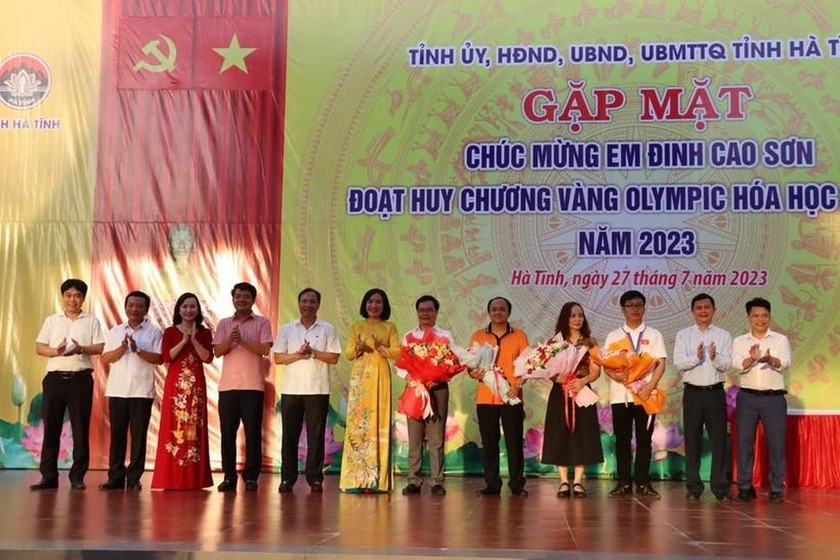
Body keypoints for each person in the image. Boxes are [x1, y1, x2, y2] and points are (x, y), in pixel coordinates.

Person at [31, 279, 105, 490]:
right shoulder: (52, 320)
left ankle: (77, 478)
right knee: (51, 429)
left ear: (83, 297)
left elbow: (100, 347)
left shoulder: (91, 321)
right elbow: (39, 347)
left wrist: (81, 348)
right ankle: (48, 477)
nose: (73, 299)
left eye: (77, 295)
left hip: (80, 380)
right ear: (63, 296)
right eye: (68, 295)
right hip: (54, 379)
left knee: (80, 430)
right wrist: (57, 351)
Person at [273, 288, 341, 493]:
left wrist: (313, 352)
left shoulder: (328, 328)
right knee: (289, 437)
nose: (308, 305)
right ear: (298, 303)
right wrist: (298, 354)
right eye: (304, 301)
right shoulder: (288, 329)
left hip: (318, 389)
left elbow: (334, 358)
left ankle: (315, 478)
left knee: (316, 436)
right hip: (291, 390)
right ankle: (287, 479)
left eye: (312, 302)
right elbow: (278, 358)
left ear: (318, 305)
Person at [602, 290, 667, 499]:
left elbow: (661, 364)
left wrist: (650, 386)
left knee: (644, 440)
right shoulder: (614, 335)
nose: (635, 309)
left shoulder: (654, 334)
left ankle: (642, 482)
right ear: (622, 309)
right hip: (620, 396)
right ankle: (623, 482)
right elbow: (606, 365)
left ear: (644, 308)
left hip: (645, 396)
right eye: (630, 305)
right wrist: (616, 376)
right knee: (622, 439)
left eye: (639, 305)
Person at [99, 290, 163, 491]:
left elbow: (159, 359)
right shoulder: (116, 331)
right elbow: (105, 358)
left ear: (146, 309)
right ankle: (115, 477)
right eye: (131, 305)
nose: (134, 309)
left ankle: (134, 478)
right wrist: (122, 348)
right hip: (118, 391)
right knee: (117, 436)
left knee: (138, 436)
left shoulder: (154, 332)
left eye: (139, 306)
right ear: (125, 307)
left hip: (141, 391)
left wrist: (137, 350)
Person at [213, 282, 273, 492]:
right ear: (233, 298)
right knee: (227, 434)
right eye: (238, 296)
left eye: (246, 296)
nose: (241, 299)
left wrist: (244, 341)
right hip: (228, 387)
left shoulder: (262, 322)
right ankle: (229, 477)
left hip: (253, 386)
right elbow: (218, 352)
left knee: (253, 433)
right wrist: (231, 339)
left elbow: (265, 349)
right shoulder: (224, 324)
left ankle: (251, 477)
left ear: (253, 299)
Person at [151, 293, 214, 490]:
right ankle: (172, 477)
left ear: (198, 310)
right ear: (179, 309)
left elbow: (208, 358)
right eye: (185, 306)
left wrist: (194, 340)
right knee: (174, 428)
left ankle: (193, 478)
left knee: (193, 429)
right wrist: (184, 340)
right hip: (175, 388)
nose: (189, 310)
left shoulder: (205, 332)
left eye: (192, 306)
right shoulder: (170, 331)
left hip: (196, 389)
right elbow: (167, 357)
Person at [339, 288, 400, 493]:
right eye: (370, 302)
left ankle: (377, 482)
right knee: (359, 424)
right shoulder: (356, 326)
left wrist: (382, 348)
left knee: (377, 421)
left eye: (378, 302)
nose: (374, 305)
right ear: (365, 304)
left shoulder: (390, 327)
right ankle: (356, 480)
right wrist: (358, 348)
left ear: (384, 306)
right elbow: (348, 354)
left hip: (380, 377)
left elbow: (397, 352)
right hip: (360, 378)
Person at [468, 296, 530, 497]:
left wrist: (518, 384)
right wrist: (473, 372)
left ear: (509, 312)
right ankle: (492, 484)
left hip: (511, 396)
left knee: (514, 441)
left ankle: (517, 484)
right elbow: (471, 365)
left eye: (502, 309)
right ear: (488, 312)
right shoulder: (478, 336)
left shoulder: (520, 336)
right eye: (493, 309)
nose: (497, 312)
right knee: (489, 442)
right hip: (486, 397)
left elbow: (528, 365)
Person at [399, 295, 460, 496]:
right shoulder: (408, 337)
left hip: (438, 389)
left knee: (436, 438)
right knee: (414, 437)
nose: (425, 313)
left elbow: (454, 361)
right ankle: (414, 480)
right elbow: (400, 364)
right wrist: (408, 376)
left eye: (429, 310)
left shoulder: (445, 336)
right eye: (421, 310)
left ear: (436, 312)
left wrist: (438, 377)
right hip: (415, 389)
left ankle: (437, 481)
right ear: (417, 313)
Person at [673, 293, 732, 501]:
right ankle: (694, 487)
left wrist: (714, 358)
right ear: (692, 312)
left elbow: (727, 365)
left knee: (719, 441)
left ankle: (720, 487)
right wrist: (696, 358)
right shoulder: (684, 335)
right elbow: (679, 363)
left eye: (707, 307)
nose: (703, 311)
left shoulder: (724, 335)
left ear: (714, 310)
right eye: (699, 308)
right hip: (693, 393)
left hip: (715, 392)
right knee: (692, 440)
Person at [541, 302, 603, 498]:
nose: (577, 319)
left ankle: (577, 482)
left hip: (582, 392)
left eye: (580, 315)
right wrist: (555, 376)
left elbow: (596, 370)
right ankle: (563, 482)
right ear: (565, 319)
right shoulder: (555, 342)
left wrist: (582, 381)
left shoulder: (590, 342)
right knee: (560, 432)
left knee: (582, 433)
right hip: (560, 393)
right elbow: (547, 369)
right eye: (573, 316)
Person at [732, 297, 790, 504]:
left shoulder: (780, 340)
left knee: (776, 445)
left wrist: (770, 360)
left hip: (773, 399)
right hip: (747, 398)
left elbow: (785, 362)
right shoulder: (739, 341)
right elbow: (736, 365)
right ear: (748, 318)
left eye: (764, 315)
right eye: (756, 316)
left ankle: (776, 488)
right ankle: (745, 487)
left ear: (770, 317)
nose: (760, 319)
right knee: (745, 443)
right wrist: (752, 359)